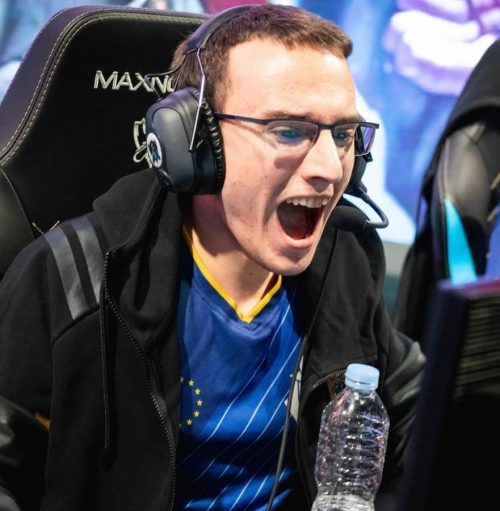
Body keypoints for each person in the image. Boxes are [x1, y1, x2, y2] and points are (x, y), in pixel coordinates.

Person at [0, 4, 425, 510]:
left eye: (343, 135)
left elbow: (416, 405)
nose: (330, 169)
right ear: (196, 143)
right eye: (289, 130)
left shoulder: (343, 259)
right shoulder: (74, 280)